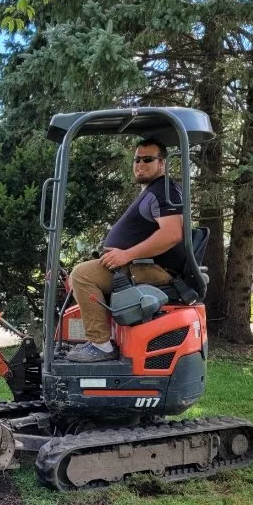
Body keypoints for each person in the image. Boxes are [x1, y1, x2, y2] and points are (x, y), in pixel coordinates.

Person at [67, 137, 184, 362]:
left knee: (83, 274)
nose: (140, 164)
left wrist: (127, 254)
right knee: (79, 273)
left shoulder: (165, 190)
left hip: (154, 268)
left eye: (147, 159)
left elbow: (172, 234)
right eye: (136, 159)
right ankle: (101, 340)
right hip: (138, 264)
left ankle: (101, 345)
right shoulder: (153, 191)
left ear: (162, 163)